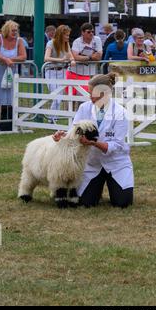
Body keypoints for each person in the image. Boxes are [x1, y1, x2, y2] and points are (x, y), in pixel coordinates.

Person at [53, 73, 134, 208]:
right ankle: (95, 188)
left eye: (91, 93)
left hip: (116, 163)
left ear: (103, 94)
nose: (89, 96)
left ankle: (114, 187)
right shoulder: (84, 108)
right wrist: (62, 137)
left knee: (122, 203)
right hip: (92, 164)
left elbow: (117, 145)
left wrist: (93, 143)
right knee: (85, 203)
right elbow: (74, 132)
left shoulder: (121, 113)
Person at [0, 20, 27, 130]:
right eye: (12, 30)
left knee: (11, 98)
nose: (15, 32)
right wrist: (4, 59)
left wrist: (10, 59)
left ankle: (11, 123)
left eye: (16, 30)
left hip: (11, 73)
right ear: (6, 30)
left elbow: (23, 56)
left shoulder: (19, 41)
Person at [44, 25, 76, 122]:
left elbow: (70, 56)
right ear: (61, 35)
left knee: (60, 96)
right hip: (51, 72)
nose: (68, 37)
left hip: (62, 72)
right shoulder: (51, 43)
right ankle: (52, 118)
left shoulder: (66, 44)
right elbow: (46, 58)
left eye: (68, 35)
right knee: (56, 96)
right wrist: (61, 60)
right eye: (66, 35)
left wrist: (72, 60)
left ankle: (53, 117)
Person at [66, 22, 103, 94]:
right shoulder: (77, 42)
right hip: (75, 73)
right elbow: (75, 57)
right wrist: (90, 57)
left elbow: (99, 56)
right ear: (82, 32)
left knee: (86, 96)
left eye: (92, 32)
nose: (91, 33)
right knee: (72, 97)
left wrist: (83, 57)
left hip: (90, 74)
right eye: (88, 32)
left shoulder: (97, 39)